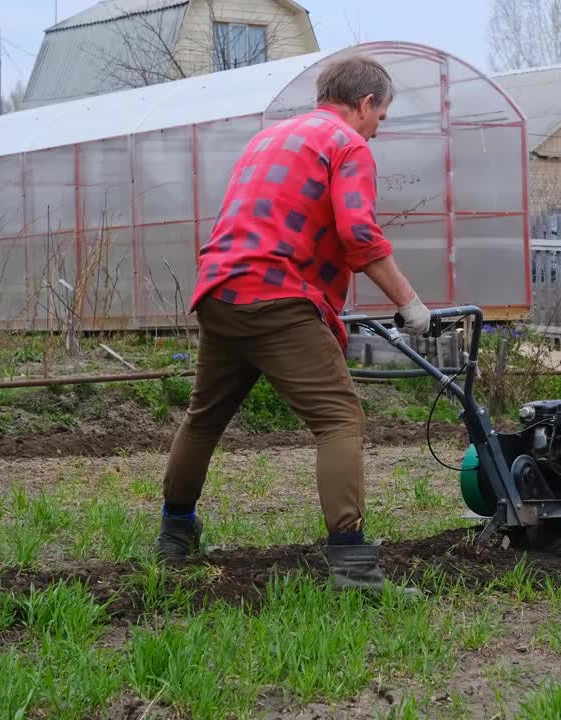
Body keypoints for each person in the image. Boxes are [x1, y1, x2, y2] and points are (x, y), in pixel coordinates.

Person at [156, 55, 431, 592]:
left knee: (205, 417)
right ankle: (352, 566)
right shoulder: (347, 145)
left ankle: (175, 536)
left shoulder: (270, 138)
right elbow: (359, 235)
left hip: (218, 288)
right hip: (276, 296)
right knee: (339, 418)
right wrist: (410, 304)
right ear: (366, 103)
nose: (379, 130)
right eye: (382, 116)